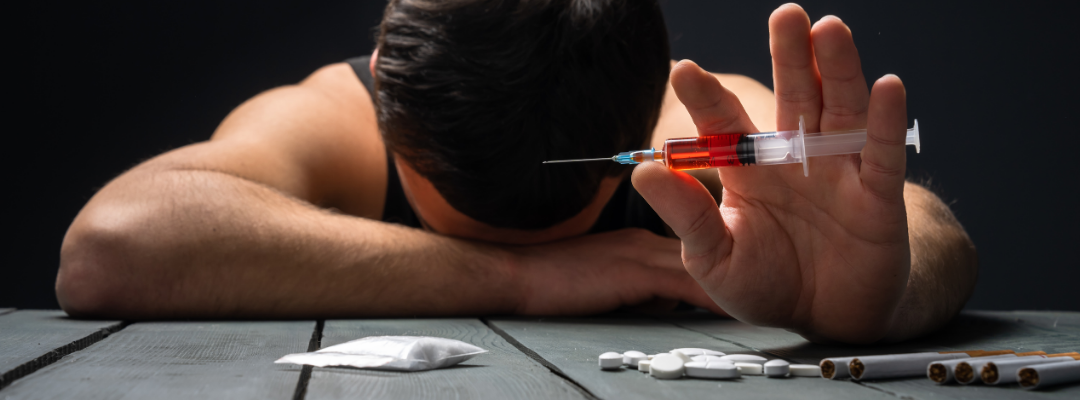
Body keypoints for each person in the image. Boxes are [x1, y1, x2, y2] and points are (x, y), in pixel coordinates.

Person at [56, 0, 976, 344]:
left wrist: (864, 303)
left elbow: (915, 234)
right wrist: (528, 279)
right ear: (383, 90)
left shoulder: (695, 133)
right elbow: (110, 247)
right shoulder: (337, 121)